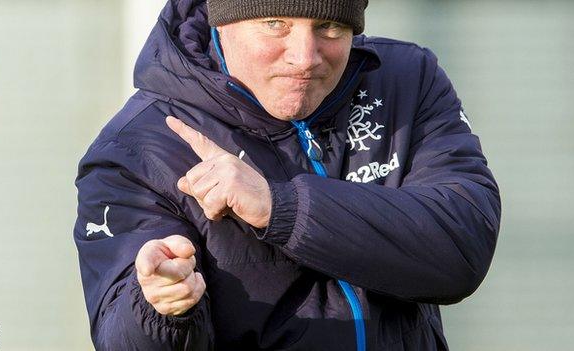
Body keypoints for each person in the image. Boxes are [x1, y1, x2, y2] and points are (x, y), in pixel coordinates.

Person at [73, 0, 501, 349]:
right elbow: (120, 339)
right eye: (275, 23)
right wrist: (161, 309)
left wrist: (279, 207)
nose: (304, 57)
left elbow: (461, 247)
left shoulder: (407, 81)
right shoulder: (137, 148)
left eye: (330, 26)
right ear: (223, 21)